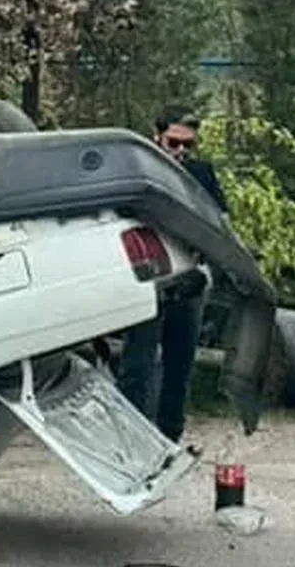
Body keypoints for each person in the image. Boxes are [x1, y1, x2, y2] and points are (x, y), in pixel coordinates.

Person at [117, 106, 228, 443]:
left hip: (187, 279)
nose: (180, 152)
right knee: (139, 363)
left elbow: (221, 224)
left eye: (187, 145)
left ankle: (169, 437)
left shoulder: (201, 174)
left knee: (179, 365)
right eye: (173, 143)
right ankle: (132, 438)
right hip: (148, 279)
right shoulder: (138, 174)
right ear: (157, 137)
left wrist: (207, 269)